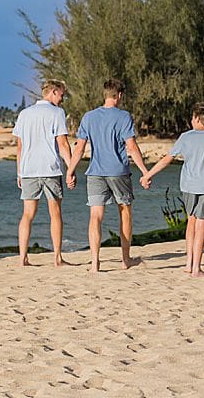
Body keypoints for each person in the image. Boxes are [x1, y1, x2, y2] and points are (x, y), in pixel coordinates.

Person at [141, 102, 204, 278]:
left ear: (197, 119)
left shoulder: (185, 137)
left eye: (192, 117)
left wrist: (148, 174)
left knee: (191, 222)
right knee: (201, 225)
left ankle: (189, 265)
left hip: (188, 186)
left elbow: (167, 159)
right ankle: (196, 268)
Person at [65, 78, 151, 272]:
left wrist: (70, 171)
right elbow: (131, 147)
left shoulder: (89, 117)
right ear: (119, 95)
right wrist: (145, 172)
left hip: (95, 172)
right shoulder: (124, 117)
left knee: (95, 216)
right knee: (125, 213)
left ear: (105, 94)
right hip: (119, 172)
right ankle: (125, 260)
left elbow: (79, 148)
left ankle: (95, 263)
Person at [13, 78, 73, 267]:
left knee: (27, 214)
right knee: (55, 213)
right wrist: (71, 169)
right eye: (61, 94)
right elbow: (63, 144)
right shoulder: (57, 113)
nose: (62, 99)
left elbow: (20, 146)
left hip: (29, 169)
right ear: (53, 92)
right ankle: (57, 257)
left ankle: (23, 257)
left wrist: (19, 173)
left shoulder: (25, 114)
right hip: (50, 169)